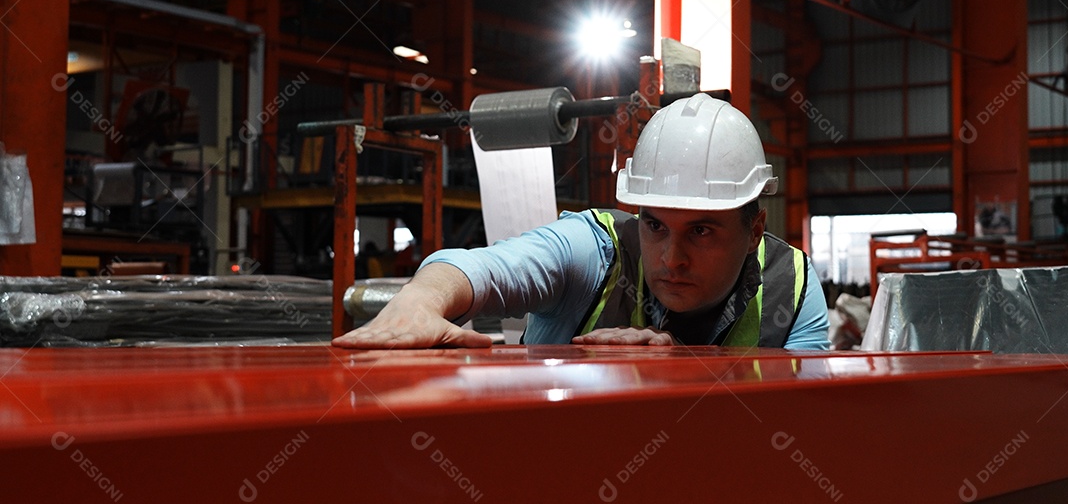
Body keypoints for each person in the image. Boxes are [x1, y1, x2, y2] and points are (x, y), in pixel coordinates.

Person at [332, 94, 829, 350]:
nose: (671, 258)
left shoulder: (794, 287)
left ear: (755, 230)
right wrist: (421, 300)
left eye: (701, 231)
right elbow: (480, 268)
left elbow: (802, 421)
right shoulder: (595, 251)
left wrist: (680, 360)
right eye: (655, 225)